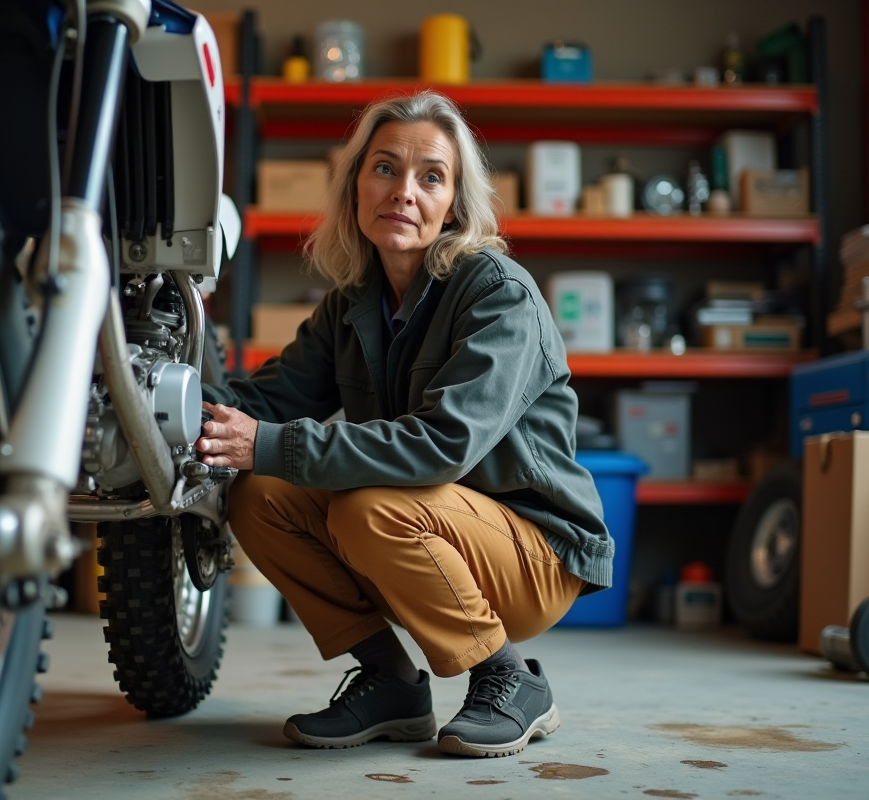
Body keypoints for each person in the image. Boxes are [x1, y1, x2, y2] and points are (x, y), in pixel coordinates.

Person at [197, 91, 610, 758]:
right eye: (385, 168)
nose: (404, 192)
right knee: (258, 493)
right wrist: (166, 401)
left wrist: (267, 444)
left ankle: (509, 677)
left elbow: (441, 445)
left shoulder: (497, 294)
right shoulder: (351, 305)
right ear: (357, 185)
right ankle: (391, 682)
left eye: (431, 176)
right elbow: (269, 401)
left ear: (456, 204)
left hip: (535, 552)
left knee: (368, 504)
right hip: (426, 529)